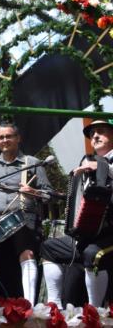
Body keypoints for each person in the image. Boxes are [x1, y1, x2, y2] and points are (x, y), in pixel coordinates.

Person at [0, 121, 51, 305]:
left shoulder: (32, 163)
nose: (5, 140)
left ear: (18, 138)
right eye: (1, 137)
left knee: (27, 252)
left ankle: (30, 305)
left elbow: (49, 195)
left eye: (9, 136)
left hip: (23, 219)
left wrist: (33, 192)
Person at [41, 119, 113, 307]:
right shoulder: (87, 161)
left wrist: (106, 169)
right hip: (90, 234)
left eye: (101, 131)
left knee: (92, 254)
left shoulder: (104, 164)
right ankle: (54, 305)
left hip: (110, 234)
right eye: (92, 134)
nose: (95, 136)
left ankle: (96, 311)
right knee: (49, 247)